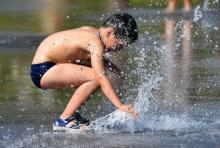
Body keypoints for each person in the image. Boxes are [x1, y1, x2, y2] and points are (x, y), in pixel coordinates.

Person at [30, 13, 138, 129]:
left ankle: (71, 115)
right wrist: (120, 105)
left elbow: (91, 57)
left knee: (92, 73)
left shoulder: (91, 32)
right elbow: (101, 76)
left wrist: (114, 68)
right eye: (119, 46)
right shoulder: (95, 42)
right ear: (109, 32)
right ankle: (64, 119)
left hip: (49, 65)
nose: (117, 50)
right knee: (96, 78)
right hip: (43, 70)